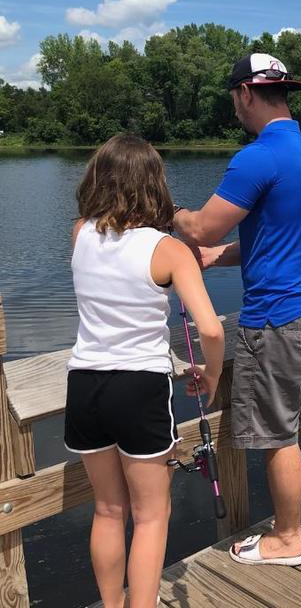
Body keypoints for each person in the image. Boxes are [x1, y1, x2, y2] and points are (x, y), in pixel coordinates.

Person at [172, 53, 301, 567]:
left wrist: (170, 212)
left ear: (245, 93)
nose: (234, 108)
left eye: (234, 98)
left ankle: (288, 538)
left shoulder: (257, 156)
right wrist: (214, 258)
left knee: (276, 435)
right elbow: (273, 240)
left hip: (277, 322)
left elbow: (202, 225)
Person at [65, 134, 224, 608]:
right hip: (141, 387)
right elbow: (212, 331)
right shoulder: (168, 250)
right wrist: (211, 376)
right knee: (151, 515)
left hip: (86, 383)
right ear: (155, 185)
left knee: (108, 510)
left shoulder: (79, 233)